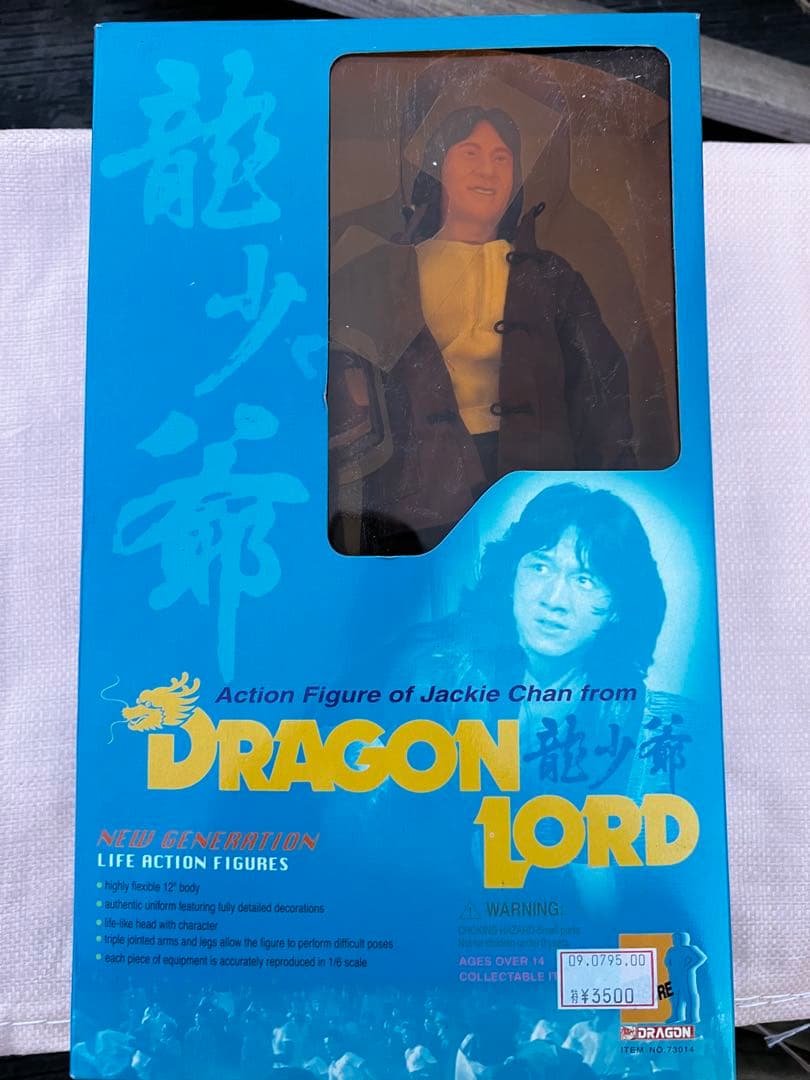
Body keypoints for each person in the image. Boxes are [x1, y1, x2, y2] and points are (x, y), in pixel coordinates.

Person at [329, 106, 671, 555]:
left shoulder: (552, 278)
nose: (487, 170)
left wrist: (613, 494)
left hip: (532, 489)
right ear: (438, 167)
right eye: (470, 153)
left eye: (502, 158)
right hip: (417, 499)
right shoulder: (383, 271)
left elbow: (599, 394)